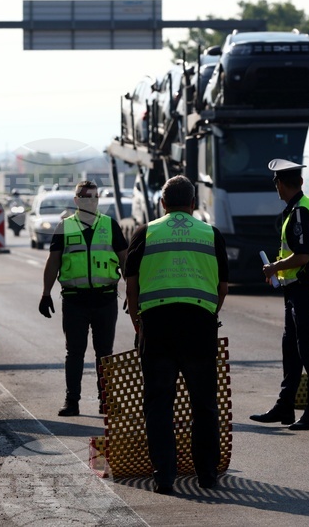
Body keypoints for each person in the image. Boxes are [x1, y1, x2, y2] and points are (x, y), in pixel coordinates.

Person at [124, 175, 228, 494]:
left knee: (158, 404)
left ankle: (164, 476)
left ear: (163, 203)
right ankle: (207, 475)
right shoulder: (211, 234)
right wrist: (210, 313)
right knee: (204, 405)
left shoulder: (145, 232)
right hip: (199, 326)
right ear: (193, 204)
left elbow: (130, 286)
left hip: (157, 327)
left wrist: (137, 322)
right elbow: (222, 286)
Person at [252, 159, 309, 431]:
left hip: (308, 287)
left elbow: (303, 255)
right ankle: (285, 406)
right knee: (292, 348)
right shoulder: (296, 209)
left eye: (276, 182)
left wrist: (275, 267)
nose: (276, 187)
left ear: (281, 184)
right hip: (295, 288)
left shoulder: (300, 212)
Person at [40, 179, 128, 417]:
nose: (90, 200)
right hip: (75, 300)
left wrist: (131, 291)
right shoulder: (64, 227)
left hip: (105, 299)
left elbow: (125, 260)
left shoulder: (110, 225)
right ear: (76, 200)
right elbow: (53, 262)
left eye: (94, 196)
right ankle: (72, 401)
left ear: (98, 199)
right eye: (84, 196)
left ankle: (107, 401)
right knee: (75, 352)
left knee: (104, 353)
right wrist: (46, 293)